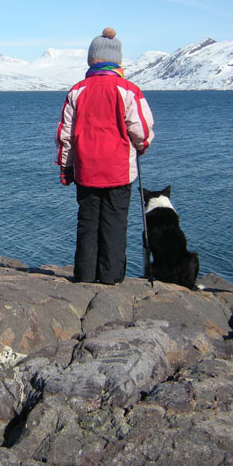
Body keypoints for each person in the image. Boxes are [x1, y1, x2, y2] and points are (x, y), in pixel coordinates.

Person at [55, 27, 154, 284]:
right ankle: (110, 280)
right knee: (115, 224)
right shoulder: (128, 89)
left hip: (86, 170)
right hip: (119, 171)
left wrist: (66, 168)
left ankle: (85, 277)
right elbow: (141, 129)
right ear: (117, 60)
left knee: (88, 224)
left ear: (92, 60)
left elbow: (66, 135)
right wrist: (142, 146)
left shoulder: (77, 91)